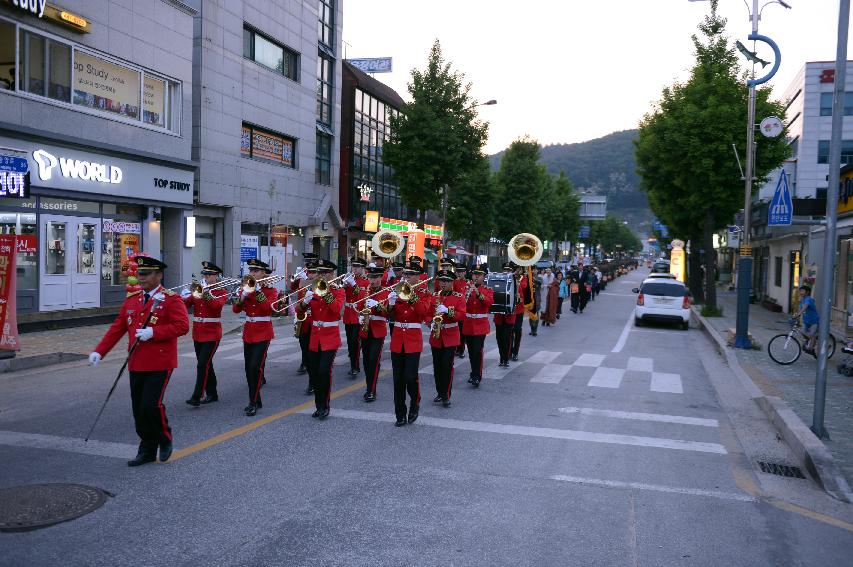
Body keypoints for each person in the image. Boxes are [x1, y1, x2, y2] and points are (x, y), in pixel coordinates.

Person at [89, 256, 189, 466]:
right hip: (137, 362)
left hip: (160, 361)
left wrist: (154, 332)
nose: (140, 278)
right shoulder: (132, 299)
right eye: (139, 274)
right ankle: (147, 449)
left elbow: (182, 326)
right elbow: (117, 328)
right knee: (138, 409)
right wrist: (100, 351)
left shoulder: (170, 299)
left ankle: (164, 437)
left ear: (159, 275)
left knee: (150, 405)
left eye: (145, 274)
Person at [300, 258, 345, 420]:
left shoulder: (338, 290)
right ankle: (318, 405)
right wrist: (304, 302)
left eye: (324, 272)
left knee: (324, 371)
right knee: (314, 373)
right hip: (315, 336)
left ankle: (324, 405)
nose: (321, 275)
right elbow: (299, 312)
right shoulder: (312, 289)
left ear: (332, 274)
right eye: (319, 272)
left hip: (330, 337)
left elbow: (337, 311)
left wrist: (325, 294)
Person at [388, 261, 430, 426]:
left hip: (413, 339)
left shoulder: (424, 293)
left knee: (410, 377)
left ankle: (415, 401)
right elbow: (389, 316)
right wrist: (390, 304)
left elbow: (422, 312)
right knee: (398, 379)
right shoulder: (395, 290)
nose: (406, 277)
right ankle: (399, 413)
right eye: (405, 274)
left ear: (418, 277)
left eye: (410, 275)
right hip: (398, 338)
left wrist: (411, 296)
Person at [232, 258, 276, 417]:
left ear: (264, 273)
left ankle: (252, 402)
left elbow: (268, 309)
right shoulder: (246, 288)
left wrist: (257, 292)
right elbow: (236, 310)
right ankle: (257, 399)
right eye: (250, 271)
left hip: (263, 332)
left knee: (254, 367)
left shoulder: (271, 290)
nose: (251, 273)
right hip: (249, 332)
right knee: (247, 368)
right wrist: (242, 296)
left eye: (255, 271)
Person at [182, 261, 229, 406]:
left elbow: (216, 306)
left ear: (216, 276)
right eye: (205, 274)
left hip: (212, 333)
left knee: (202, 364)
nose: (206, 277)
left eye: (209, 275)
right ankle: (212, 393)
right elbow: (186, 304)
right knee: (207, 364)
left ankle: (197, 395)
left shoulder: (222, 291)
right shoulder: (199, 289)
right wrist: (180, 297)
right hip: (198, 332)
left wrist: (206, 293)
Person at [429, 269, 466, 407]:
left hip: (451, 335)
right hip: (436, 336)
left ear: (452, 282)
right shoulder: (434, 296)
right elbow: (427, 313)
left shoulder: (459, 297)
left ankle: (446, 395)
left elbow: (461, 315)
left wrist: (448, 311)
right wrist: (430, 322)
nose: (443, 283)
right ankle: (440, 392)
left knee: (447, 366)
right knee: (437, 366)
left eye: (446, 281)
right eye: (441, 281)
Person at [358, 266, 389, 402]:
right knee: (365, 360)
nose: (372, 280)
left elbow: (387, 312)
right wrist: (359, 315)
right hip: (365, 329)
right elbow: (358, 307)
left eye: (375, 278)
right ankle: (368, 385)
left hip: (378, 329)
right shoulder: (364, 291)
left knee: (373, 360)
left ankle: (372, 389)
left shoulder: (386, 292)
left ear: (380, 278)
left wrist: (377, 305)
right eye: (370, 277)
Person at [462, 263, 495, 387]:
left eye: (479, 275)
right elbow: (461, 304)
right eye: (474, 274)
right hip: (468, 324)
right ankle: (473, 372)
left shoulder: (488, 290)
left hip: (480, 325)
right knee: (471, 351)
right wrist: (466, 295)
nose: (476, 277)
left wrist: (477, 293)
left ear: (484, 276)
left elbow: (489, 303)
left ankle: (477, 375)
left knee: (477, 350)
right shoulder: (465, 289)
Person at [342, 256, 369, 378]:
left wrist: (353, 285)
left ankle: (355, 366)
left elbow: (363, 296)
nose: (355, 269)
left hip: (358, 314)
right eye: (353, 266)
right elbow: (341, 294)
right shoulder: (348, 279)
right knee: (350, 342)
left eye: (357, 267)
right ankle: (353, 363)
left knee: (355, 341)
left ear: (363, 268)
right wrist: (343, 284)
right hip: (348, 313)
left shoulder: (366, 281)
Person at [493, 262, 517, 367]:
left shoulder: (515, 283)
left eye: (509, 270)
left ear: (512, 272)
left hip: (509, 316)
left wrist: (517, 298)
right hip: (498, 315)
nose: (506, 272)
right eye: (505, 270)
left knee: (507, 338)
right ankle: (501, 356)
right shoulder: (498, 281)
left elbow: (519, 299)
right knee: (499, 338)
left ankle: (505, 358)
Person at [794, 285, 819, 355]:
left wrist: (799, 314)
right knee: (802, 332)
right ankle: (811, 341)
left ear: (807, 292)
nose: (800, 292)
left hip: (814, 321)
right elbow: (801, 308)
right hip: (806, 321)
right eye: (800, 291)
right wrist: (797, 314)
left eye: (802, 291)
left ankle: (812, 346)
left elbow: (805, 307)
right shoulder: (803, 299)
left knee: (812, 335)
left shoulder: (809, 299)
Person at [511, 263, 528, 361]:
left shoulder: (524, 278)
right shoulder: (511, 276)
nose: (518, 270)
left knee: (517, 330)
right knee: (510, 332)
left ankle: (515, 352)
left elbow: (525, 286)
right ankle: (509, 351)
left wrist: (518, 282)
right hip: (510, 308)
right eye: (516, 268)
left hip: (519, 309)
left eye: (519, 268)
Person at [454, 262, 470, 358]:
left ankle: (461, 349)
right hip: (456, 309)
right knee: (457, 329)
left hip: (465, 310)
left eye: (461, 271)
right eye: (457, 271)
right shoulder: (454, 282)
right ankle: (456, 348)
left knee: (463, 331)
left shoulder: (469, 283)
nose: (459, 273)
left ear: (465, 272)